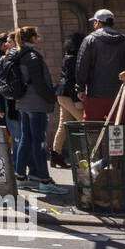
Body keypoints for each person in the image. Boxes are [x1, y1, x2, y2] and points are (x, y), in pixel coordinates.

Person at [74, 8, 125, 173]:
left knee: (91, 129)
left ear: (98, 23)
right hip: (120, 96)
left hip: (95, 94)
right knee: (116, 130)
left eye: (94, 22)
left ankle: (94, 162)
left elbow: (81, 66)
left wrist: (79, 88)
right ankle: (116, 164)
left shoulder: (90, 40)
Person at [11, 26, 68, 193]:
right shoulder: (33, 56)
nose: (38, 37)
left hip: (22, 102)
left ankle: (20, 177)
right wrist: (51, 97)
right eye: (36, 35)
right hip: (36, 104)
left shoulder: (17, 54)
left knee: (25, 140)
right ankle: (44, 180)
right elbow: (39, 83)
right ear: (33, 38)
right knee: (39, 142)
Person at [50, 32, 85, 169]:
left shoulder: (68, 57)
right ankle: (89, 156)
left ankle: (55, 155)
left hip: (63, 95)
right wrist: (77, 99)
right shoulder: (74, 59)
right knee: (87, 124)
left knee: (63, 126)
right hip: (70, 96)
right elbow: (72, 81)